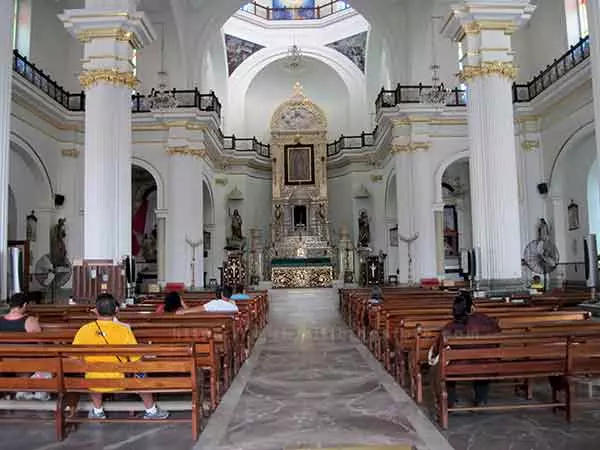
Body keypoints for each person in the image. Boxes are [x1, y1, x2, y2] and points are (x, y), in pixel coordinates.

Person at [72, 294, 169, 420]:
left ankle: (97, 411)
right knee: (141, 372)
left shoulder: (84, 330)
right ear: (116, 310)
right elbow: (136, 359)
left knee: (92, 372)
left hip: (93, 381)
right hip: (120, 380)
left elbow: (74, 358)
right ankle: (151, 410)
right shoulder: (124, 330)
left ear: (95, 310)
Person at [431, 292, 500, 408]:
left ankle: (449, 400)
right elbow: (497, 336)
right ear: (472, 307)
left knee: (442, 365)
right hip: (488, 365)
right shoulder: (487, 321)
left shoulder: (450, 327)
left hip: (459, 367)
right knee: (483, 359)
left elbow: (439, 348)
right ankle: (481, 399)